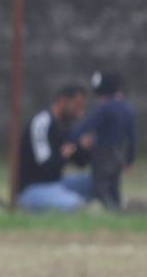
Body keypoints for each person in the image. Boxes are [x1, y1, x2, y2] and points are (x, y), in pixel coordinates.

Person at [16, 84, 92, 212]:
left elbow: (81, 162)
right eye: (76, 105)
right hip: (33, 188)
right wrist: (64, 153)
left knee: (98, 182)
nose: (80, 112)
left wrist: (84, 147)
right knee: (75, 205)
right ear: (62, 101)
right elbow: (45, 166)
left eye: (82, 107)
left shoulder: (66, 126)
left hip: (57, 183)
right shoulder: (42, 123)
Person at [71, 72, 135, 210]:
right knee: (113, 186)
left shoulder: (104, 108)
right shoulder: (127, 108)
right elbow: (131, 137)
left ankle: (112, 211)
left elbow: (87, 125)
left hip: (103, 154)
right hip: (118, 153)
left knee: (100, 186)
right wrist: (130, 159)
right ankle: (118, 209)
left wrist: (72, 138)